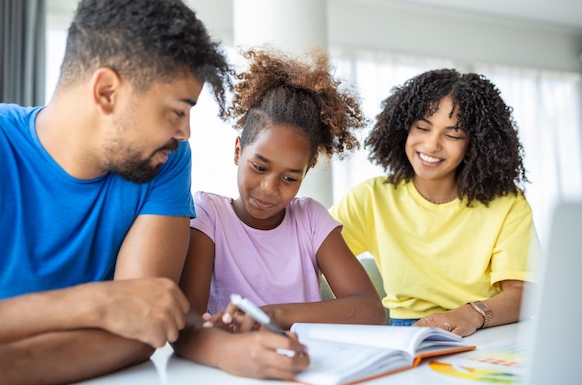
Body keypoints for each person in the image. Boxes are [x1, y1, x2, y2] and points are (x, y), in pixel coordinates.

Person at [0, 0, 232, 385]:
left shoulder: (165, 160)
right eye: (177, 111)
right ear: (106, 91)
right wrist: (95, 304)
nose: (185, 132)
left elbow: (144, 327)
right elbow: (123, 312)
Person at [172, 47, 386, 380]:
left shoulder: (311, 220)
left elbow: (372, 310)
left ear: (308, 169)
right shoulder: (209, 215)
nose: (270, 188)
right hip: (229, 372)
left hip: (306, 368)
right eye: (259, 167)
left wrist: (271, 314)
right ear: (238, 150)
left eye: (290, 178)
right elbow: (188, 322)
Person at [329, 68, 540, 338]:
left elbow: (524, 293)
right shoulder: (371, 198)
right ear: (404, 127)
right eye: (422, 127)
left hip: (484, 325)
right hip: (409, 330)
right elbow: (307, 254)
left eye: (452, 135)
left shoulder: (507, 203)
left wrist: (472, 314)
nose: (431, 145)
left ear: (475, 144)